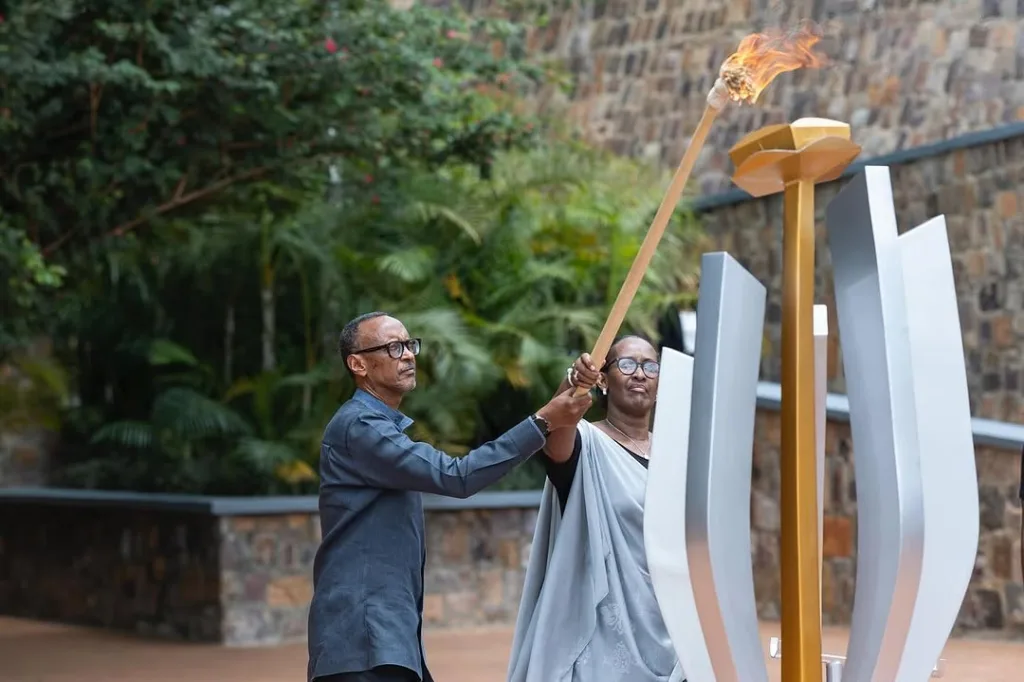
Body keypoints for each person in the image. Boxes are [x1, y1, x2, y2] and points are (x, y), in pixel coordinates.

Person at [308, 311, 593, 682]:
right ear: (357, 364)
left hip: (383, 636)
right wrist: (542, 422)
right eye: (393, 347)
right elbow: (456, 476)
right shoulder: (361, 426)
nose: (408, 355)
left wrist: (567, 389)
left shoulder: (372, 426)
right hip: (363, 637)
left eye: (410, 345)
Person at [507, 335, 686, 682]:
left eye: (650, 367)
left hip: (674, 631)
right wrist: (573, 382)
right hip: (602, 633)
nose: (640, 374)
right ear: (603, 379)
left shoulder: (677, 455)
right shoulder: (588, 444)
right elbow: (556, 430)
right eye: (627, 364)